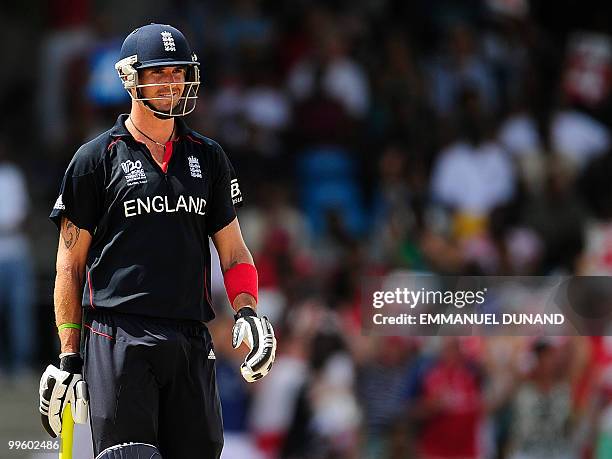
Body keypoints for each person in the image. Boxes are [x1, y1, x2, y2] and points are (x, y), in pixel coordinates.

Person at [38, 23, 277, 459]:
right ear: (131, 79)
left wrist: (248, 309)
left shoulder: (209, 157)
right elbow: (69, 267)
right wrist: (69, 356)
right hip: (117, 336)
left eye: (179, 72)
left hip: (190, 338)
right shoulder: (94, 160)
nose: (173, 83)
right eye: (160, 73)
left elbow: (234, 250)